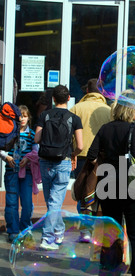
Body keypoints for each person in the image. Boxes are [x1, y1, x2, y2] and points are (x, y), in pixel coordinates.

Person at [86, 100, 135, 276]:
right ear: (131, 110)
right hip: (130, 185)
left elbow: (91, 154)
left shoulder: (105, 128)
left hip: (107, 184)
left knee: (110, 233)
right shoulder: (134, 129)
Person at [34, 85, 83, 250]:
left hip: (45, 161)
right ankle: (52, 235)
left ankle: (53, 234)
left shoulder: (44, 115)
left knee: (51, 202)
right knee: (54, 203)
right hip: (63, 162)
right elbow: (81, 146)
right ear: (69, 98)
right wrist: (73, 154)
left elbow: (36, 139)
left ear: (53, 99)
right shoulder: (74, 119)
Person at [70, 78, 111, 232]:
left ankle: (85, 229)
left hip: (80, 156)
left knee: (82, 191)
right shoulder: (108, 110)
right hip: (102, 158)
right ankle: (99, 228)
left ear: (87, 91)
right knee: (99, 193)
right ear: (102, 92)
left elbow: (69, 133)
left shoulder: (76, 108)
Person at [0, 105, 38, 242]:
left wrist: (28, 158)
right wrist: (6, 157)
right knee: (11, 202)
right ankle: (13, 230)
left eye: (25, 116)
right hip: (11, 172)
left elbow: (36, 152)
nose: (22, 119)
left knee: (27, 204)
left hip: (26, 173)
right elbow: (1, 148)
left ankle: (25, 228)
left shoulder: (32, 134)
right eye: (20, 116)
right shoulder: (9, 132)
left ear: (29, 118)